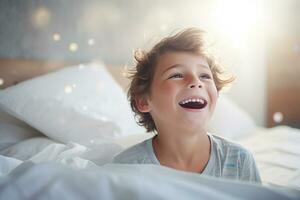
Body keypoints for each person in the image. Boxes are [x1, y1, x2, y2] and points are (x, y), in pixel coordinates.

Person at [113, 28, 261, 183]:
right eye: (176, 75)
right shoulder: (126, 168)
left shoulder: (240, 161)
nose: (196, 82)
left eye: (204, 76)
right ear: (144, 101)